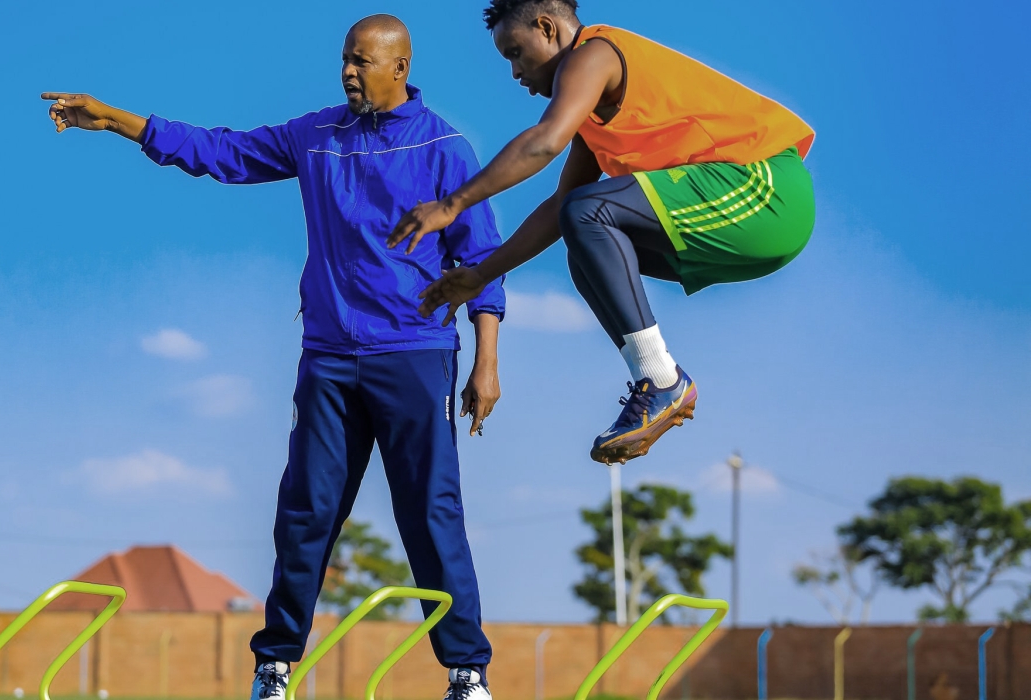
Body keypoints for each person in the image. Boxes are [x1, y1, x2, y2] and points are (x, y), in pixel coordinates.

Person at [42, 14, 502, 700]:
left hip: (414, 352)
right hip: (328, 357)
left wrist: (485, 364)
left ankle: (466, 672)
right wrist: (114, 120)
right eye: (344, 59)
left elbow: (484, 258)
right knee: (305, 512)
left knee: (430, 514)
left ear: (399, 68)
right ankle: (275, 667)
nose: (347, 71)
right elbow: (220, 153)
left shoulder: (444, 149)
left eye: (361, 62)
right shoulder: (315, 137)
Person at [388, 0, 816, 465]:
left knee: (587, 213)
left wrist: (452, 204)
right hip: (750, 222)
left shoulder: (596, 53)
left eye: (515, 51)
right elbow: (559, 210)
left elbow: (545, 141)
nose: (515, 72)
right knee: (582, 239)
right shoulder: (594, 119)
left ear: (547, 28)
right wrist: (480, 275)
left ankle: (663, 381)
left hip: (765, 192)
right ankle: (657, 380)